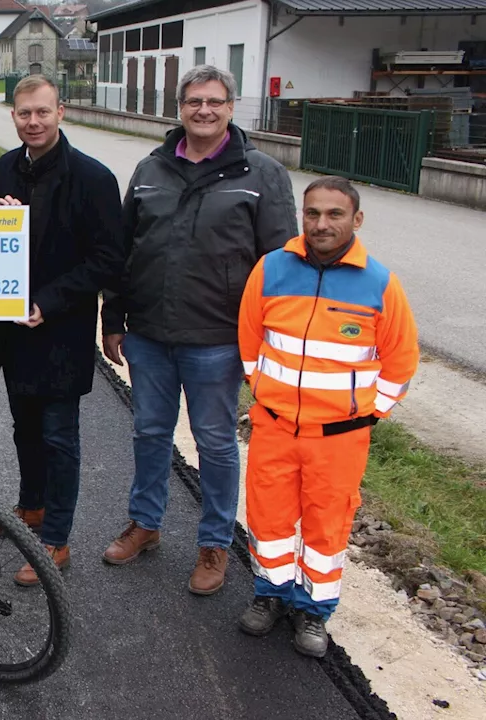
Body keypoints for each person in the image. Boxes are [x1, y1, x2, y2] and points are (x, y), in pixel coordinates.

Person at [100, 65, 298, 596]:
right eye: (193, 102)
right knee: (149, 433)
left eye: (214, 102)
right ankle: (146, 523)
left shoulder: (261, 175)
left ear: (232, 108)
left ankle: (214, 543)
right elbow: (125, 252)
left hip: (218, 339)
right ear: (180, 108)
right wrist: (113, 318)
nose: (203, 111)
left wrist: (270, 343)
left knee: (215, 442)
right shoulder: (150, 168)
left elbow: (281, 268)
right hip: (148, 334)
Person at [235, 176, 418, 656]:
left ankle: (313, 612)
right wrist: (266, 393)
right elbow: (250, 342)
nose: (321, 223)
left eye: (335, 214)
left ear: (356, 220)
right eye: (312, 213)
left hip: (339, 438)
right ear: (302, 217)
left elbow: (400, 361)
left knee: (326, 528)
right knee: (268, 521)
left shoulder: (379, 283)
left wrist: (367, 414)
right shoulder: (271, 269)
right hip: (275, 427)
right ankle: (269, 595)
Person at [0, 75, 128, 586]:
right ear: (14, 115)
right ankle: (32, 508)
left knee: (58, 436)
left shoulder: (93, 178)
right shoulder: (5, 167)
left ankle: (55, 541)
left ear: (61, 112)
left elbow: (108, 259)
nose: (34, 122)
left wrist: (50, 301)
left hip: (61, 331)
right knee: (24, 429)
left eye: (42, 112)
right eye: (24, 113)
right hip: (14, 330)